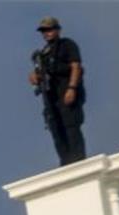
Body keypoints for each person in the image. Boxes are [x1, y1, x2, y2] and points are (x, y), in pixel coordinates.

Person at [28, 16, 86, 165]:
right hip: (51, 99)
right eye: (43, 31)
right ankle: (66, 163)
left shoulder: (67, 44)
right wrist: (35, 76)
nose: (46, 33)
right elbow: (41, 74)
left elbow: (76, 67)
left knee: (71, 127)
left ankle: (79, 161)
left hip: (66, 91)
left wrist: (72, 88)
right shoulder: (44, 54)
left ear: (57, 29)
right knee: (56, 130)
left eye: (49, 29)